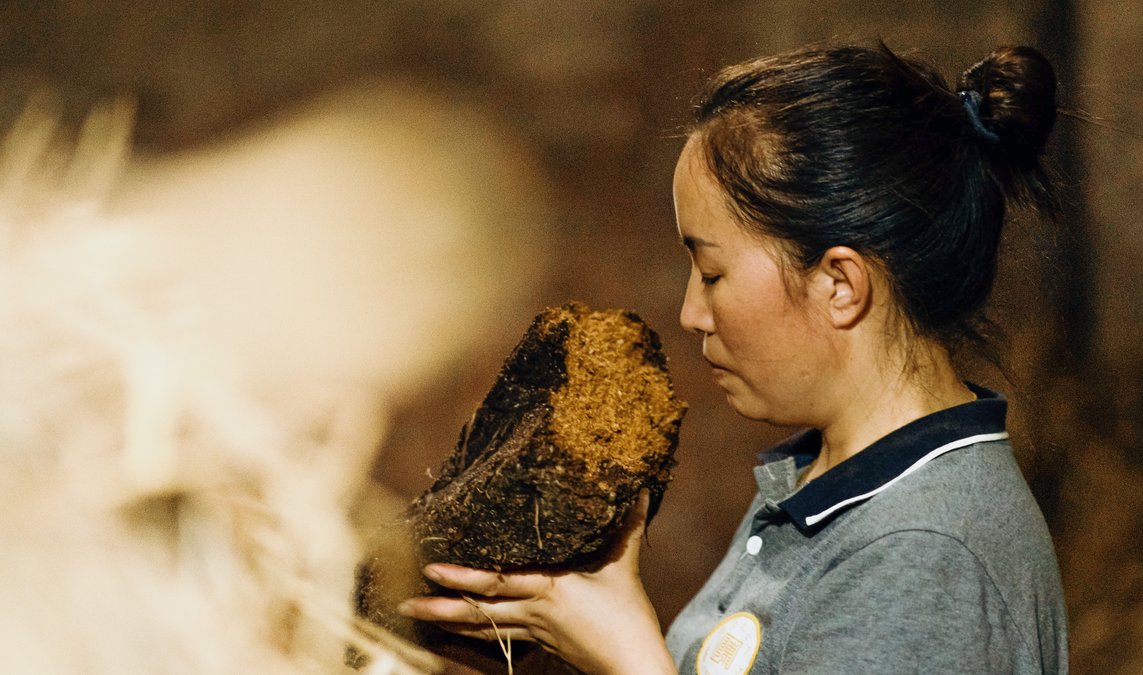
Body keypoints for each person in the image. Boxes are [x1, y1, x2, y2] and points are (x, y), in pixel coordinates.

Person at [398, 41, 1069, 674]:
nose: (692, 312)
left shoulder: (925, 556)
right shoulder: (821, 481)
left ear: (840, 284)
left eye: (712, 272)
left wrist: (629, 656)